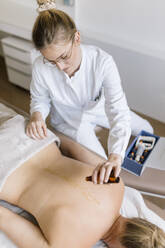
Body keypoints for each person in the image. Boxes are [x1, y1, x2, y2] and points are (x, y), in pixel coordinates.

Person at [0, 105, 165, 248]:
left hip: (28, 136)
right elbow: (4, 217)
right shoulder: (69, 243)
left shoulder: (115, 182)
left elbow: (72, 147)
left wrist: (44, 132)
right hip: (5, 166)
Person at [26, 0, 153, 183]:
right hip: (69, 120)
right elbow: (39, 98)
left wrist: (116, 155)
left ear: (77, 38)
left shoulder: (102, 62)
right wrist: (37, 115)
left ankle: (130, 173)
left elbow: (118, 110)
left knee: (147, 130)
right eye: (51, 62)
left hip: (98, 109)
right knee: (101, 166)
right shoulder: (40, 66)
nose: (60, 67)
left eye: (63, 57)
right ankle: (121, 183)